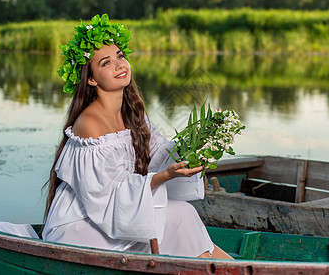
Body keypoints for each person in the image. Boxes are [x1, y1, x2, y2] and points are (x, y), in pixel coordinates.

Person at [41, 14, 232, 259]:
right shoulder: (88, 124)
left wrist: (202, 138)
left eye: (120, 56)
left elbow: (161, 154)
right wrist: (164, 176)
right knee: (180, 216)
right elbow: (105, 195)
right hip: (83, 223)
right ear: (90, 79)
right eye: (105, 63)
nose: (119, 65)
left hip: (120, 212)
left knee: (183, 217)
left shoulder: (133, 115)